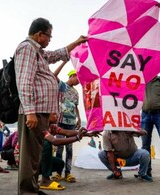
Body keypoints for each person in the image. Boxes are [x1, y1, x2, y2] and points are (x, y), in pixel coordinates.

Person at [14, 17, 87, 194]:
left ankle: (32, 187)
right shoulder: (27, 48)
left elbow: (56, 55)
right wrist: (30, 112)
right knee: (30, 156)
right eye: (49, 36)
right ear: (39, 34)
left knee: (35, 155)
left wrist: (77, 43)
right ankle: (27, 191)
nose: (49, 40)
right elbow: (24, 82)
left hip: (40, 112)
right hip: (34, 112)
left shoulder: (38, 51)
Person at [39, 113, 100, 191]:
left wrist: (88, 134)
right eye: (54, 114)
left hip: (39, 160)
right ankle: (45, 180)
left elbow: (67, 132)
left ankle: (36, 176)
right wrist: (77, 138)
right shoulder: (42, 127)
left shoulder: (52, 127)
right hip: (31, 161)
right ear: (47, 116)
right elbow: (55, 141)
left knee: (60, 164)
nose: (57, 116)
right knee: (47, 144)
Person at [53, 61, 82, 183]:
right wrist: (64, 62)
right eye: (78, 79)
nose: (78, 82)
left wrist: (79, 118)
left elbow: (75, 107)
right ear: (72, 76)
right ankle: (58, 173)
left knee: (69, 149)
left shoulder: (76, 92)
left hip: (71, 122)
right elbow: (54, 76)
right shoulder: (62, 86)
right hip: (60, 121)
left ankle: (68, 173)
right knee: (59, 147)